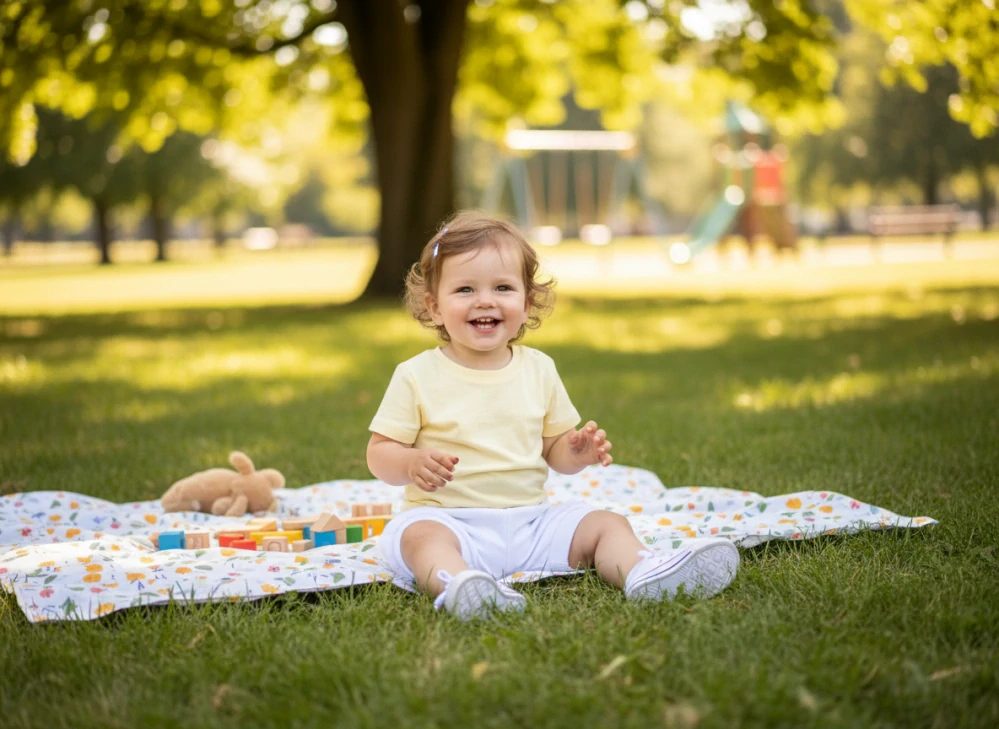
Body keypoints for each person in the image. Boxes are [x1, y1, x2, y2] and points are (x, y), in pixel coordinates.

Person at [367, 211, 739, 619]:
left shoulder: (538, 368)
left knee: (604, 523)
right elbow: (380, 452)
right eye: (466, 289)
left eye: (503, 287)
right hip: (450, 521)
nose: (485, 300)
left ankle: (644, 572)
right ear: (434, 307)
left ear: (526, 304)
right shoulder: (417, 375)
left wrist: (574, 452)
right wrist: (411, 461)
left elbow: (553, 451)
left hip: (532, 524)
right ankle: (461, 586)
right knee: (419, 539)